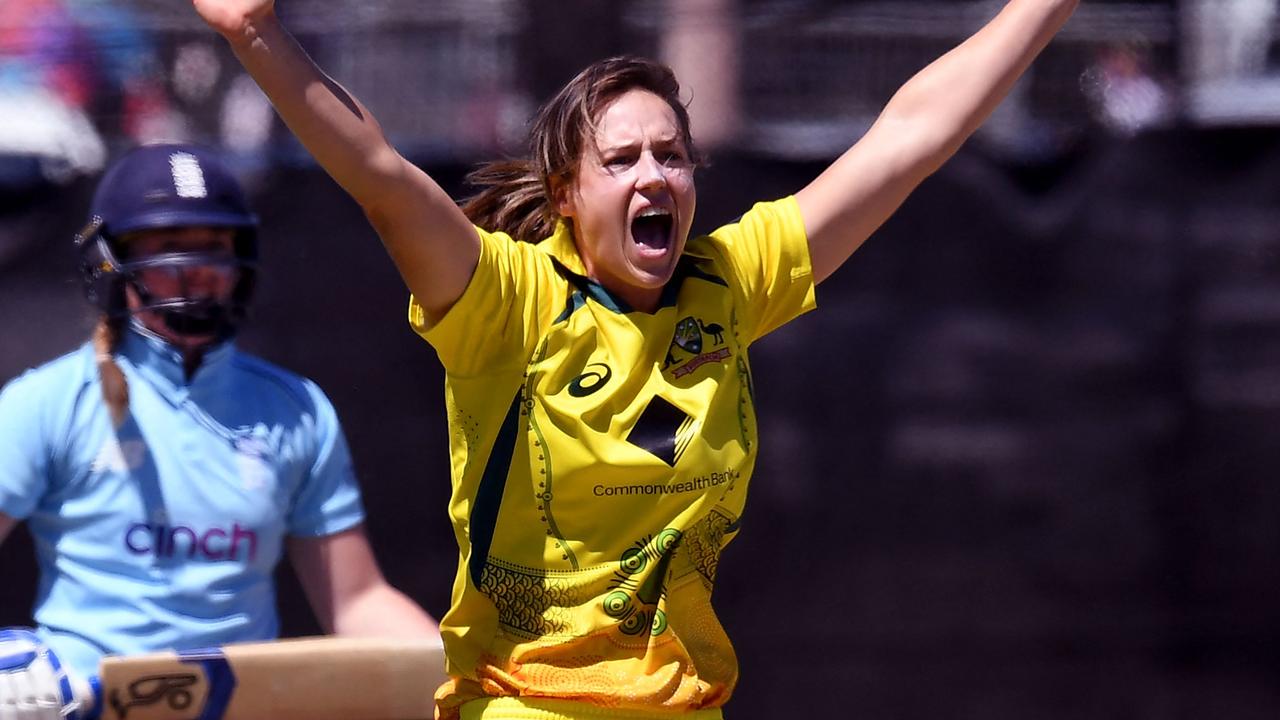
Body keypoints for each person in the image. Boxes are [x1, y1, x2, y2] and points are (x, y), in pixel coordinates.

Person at [192, 0, 1080, 718]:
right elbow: (381, 177)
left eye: (672, 155)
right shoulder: (511, 302)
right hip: (526, 705)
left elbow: (910, 137)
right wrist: (256, 32)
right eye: (620, 160)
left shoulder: (728, 282)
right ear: (567, 196)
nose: (653, 175)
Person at [0, 143, 439, 719]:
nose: (198, 268)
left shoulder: (296, 410)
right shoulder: (46, 404)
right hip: (83, 706)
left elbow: (357, 600)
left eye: (214, 246)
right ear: (110, 260)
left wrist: (457, 676)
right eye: (168, 246)